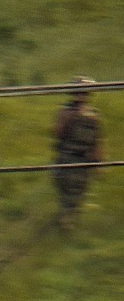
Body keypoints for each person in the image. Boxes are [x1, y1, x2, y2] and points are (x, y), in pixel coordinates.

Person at [51, 77, 104, 231]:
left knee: (79, 193)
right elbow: (58, 133)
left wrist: (99, 162)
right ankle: (65, 222)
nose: (82, 96)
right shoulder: (66, 112)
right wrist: (72, 116)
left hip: (84, 159)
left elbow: (97, 140)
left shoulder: (93, 115)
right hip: (68, 157)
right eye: (79, 93)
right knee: (66, 192)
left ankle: (70, 222)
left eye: (85, 93)